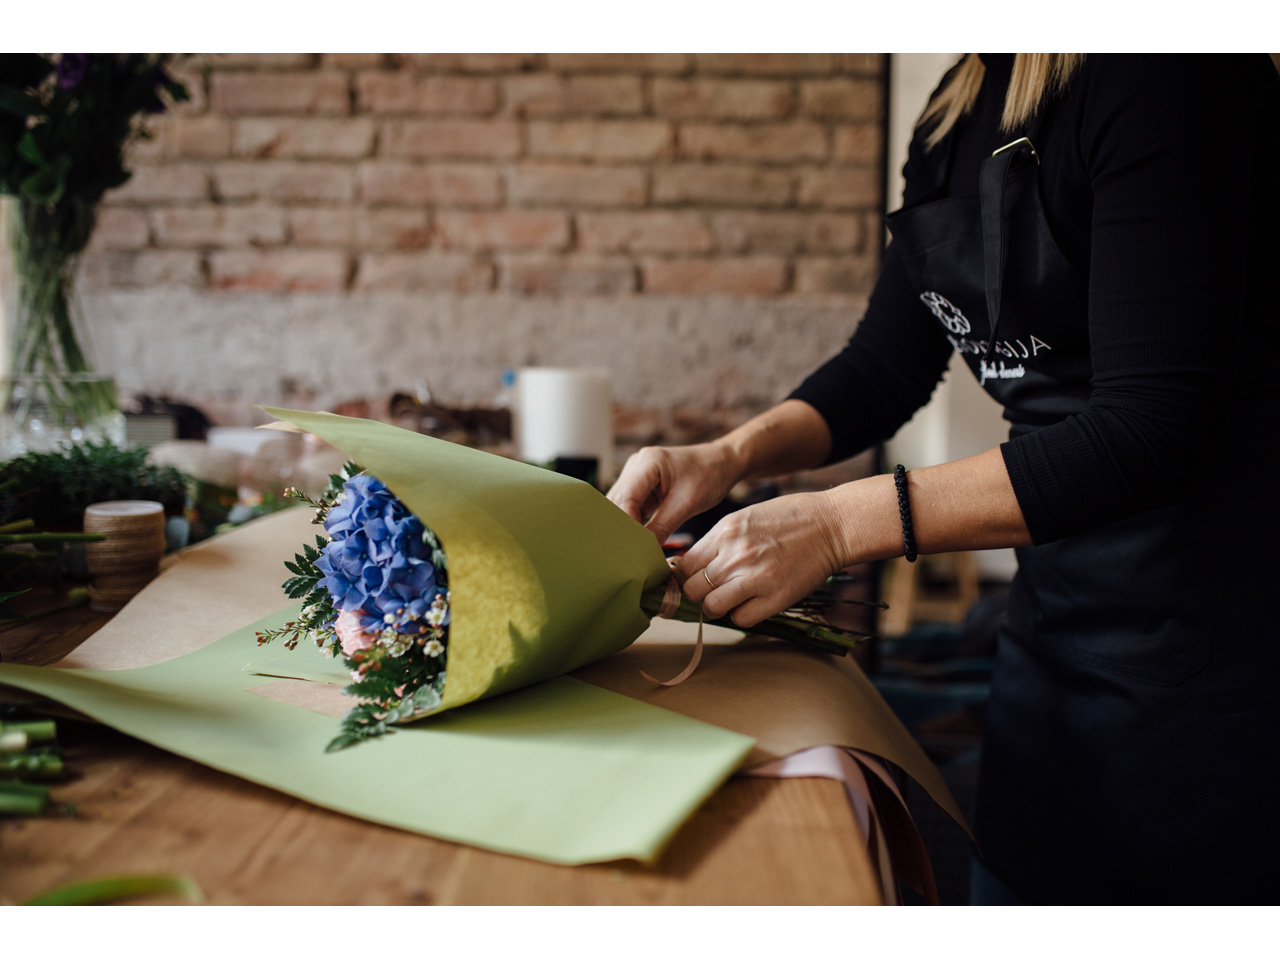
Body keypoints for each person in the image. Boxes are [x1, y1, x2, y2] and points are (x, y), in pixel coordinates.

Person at [606, 54, 1280, 905]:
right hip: (1053, 630)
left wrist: (836, 526)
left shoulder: (1166, 70)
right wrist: (725, 457)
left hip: (1214, 656)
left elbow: (1151, 430)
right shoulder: (955, 110)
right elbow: (883, 368)